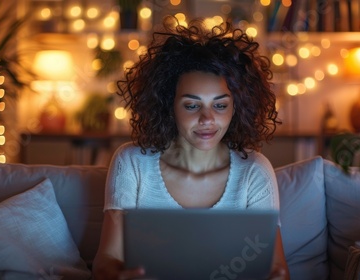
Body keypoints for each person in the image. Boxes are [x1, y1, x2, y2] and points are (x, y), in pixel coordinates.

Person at [92, 17, 289, 280]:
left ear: (237, 107)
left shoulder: (255, 170)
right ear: (168, 105)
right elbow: (107, 260)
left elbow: (278, 269)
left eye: (220, 105)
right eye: (192, 105)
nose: (207, 119)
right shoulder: (132, 162)